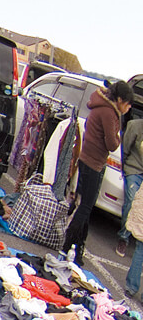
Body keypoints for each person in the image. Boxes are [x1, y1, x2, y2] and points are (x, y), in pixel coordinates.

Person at [63, 81, 135, 265]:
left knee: (84, 205)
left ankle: (78, 250)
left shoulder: (99, 105)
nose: (128, 108)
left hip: (87, 160)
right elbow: (112, 144)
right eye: (127, 104)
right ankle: (66, 246)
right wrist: (118, 135)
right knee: (85, 207)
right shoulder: (109, 113)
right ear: (120, 100)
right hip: (94, 164)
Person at [117, 117, 143, 257]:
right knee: (132, 200)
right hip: (134, 170)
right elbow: (124, 150)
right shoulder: (135, 125)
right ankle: (123, 238)